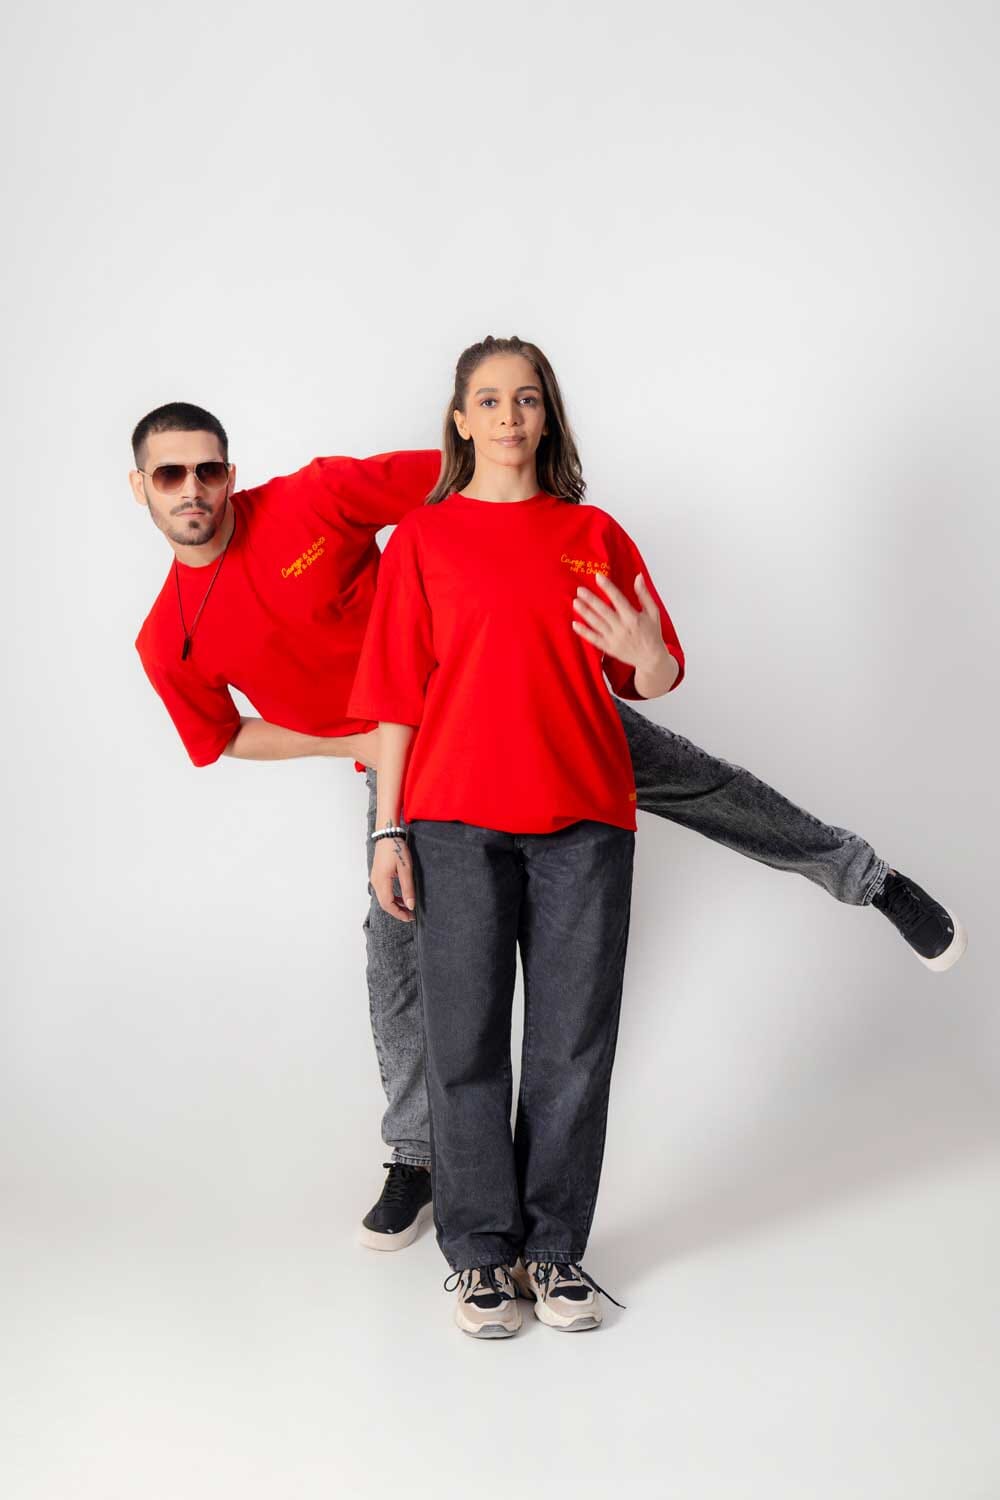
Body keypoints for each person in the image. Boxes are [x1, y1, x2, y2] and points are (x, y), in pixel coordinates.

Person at [129, 382, 966, 1260]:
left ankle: (869, 878)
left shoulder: (315, 497)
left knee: (704, 784)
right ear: (141, 487)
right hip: (412, 756)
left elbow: (472, 479)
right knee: (394, 948)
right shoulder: (162, 639)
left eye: (208, 469)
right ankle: (416, 1155)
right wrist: (359, 743)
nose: (193, 489)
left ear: (231, 473)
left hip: (518, 690)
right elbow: (225, 736)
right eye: (170, 475)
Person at [349, 337, 685, 1335]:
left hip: (584, 822)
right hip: (452, 824)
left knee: (572, 1046)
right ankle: (480, 1257)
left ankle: (554, 1249)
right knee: (464, 1045)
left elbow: (655, 674)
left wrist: (649, 654)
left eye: (526, 399)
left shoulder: (594, 533)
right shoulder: (422, 539)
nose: (508, 416)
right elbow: (395, 698)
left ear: (548, 416)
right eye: (489, 400)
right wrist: (387, 829)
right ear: (460, 419)